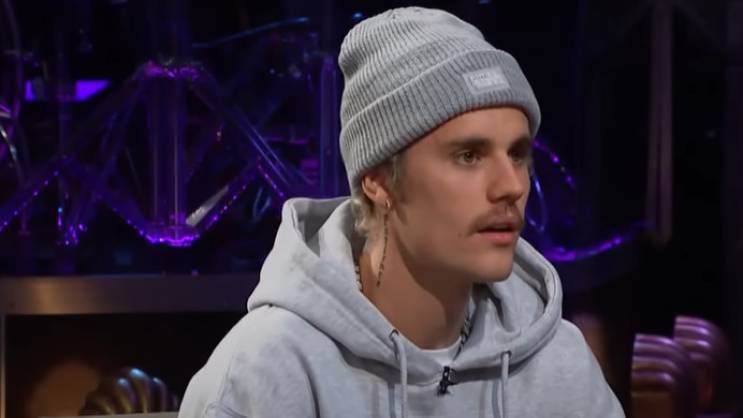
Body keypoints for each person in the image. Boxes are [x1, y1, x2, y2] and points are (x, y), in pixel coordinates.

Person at [179, 6, 625, 418]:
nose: (511, 185)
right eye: (469, 155)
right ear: (378, 180)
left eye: (518, 154)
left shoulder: (558, 362)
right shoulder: (266, 373)